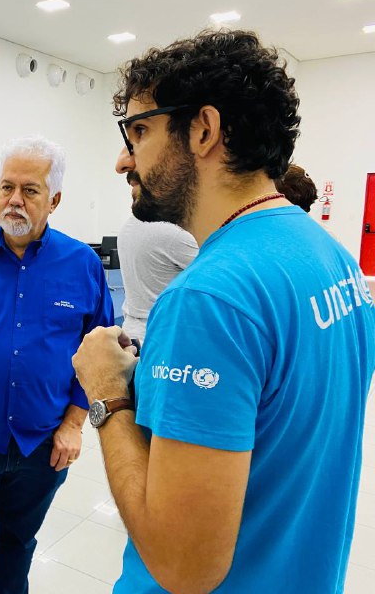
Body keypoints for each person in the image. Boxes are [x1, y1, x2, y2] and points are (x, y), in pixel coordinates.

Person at [72, 30, 375, 593]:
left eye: (139, 131)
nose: (122, 161)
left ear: (203, 130)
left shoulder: (207, 299)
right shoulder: (330, 256)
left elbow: (183, 565)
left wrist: (108, 395)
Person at [0, 136, 114, 594]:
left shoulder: (83, 265)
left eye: (30, 190)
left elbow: (102, 353)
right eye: (6, 187)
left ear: (55, 200)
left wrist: (74, 424)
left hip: (44, 445)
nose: (14, 200)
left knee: (16, 546)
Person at [115, 146, 198, 343]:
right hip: (162, 337)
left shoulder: (132, 224)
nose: (121, 165)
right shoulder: (170, 231)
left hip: (136, 330)